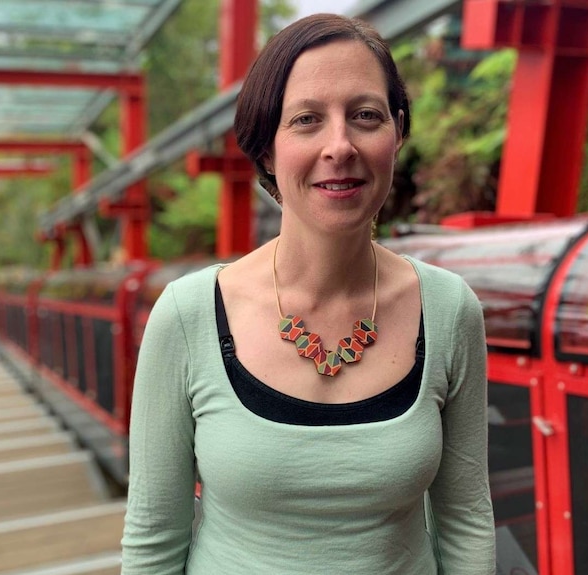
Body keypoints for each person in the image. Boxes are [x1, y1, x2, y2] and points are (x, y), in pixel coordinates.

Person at [121, 13, 495, 574]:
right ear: (267, 150)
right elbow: (153, 536)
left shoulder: (448, 309)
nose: (340, 145)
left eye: (366, 116)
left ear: (396, 134)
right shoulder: (187, 315)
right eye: (307, 120)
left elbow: (465, 516)